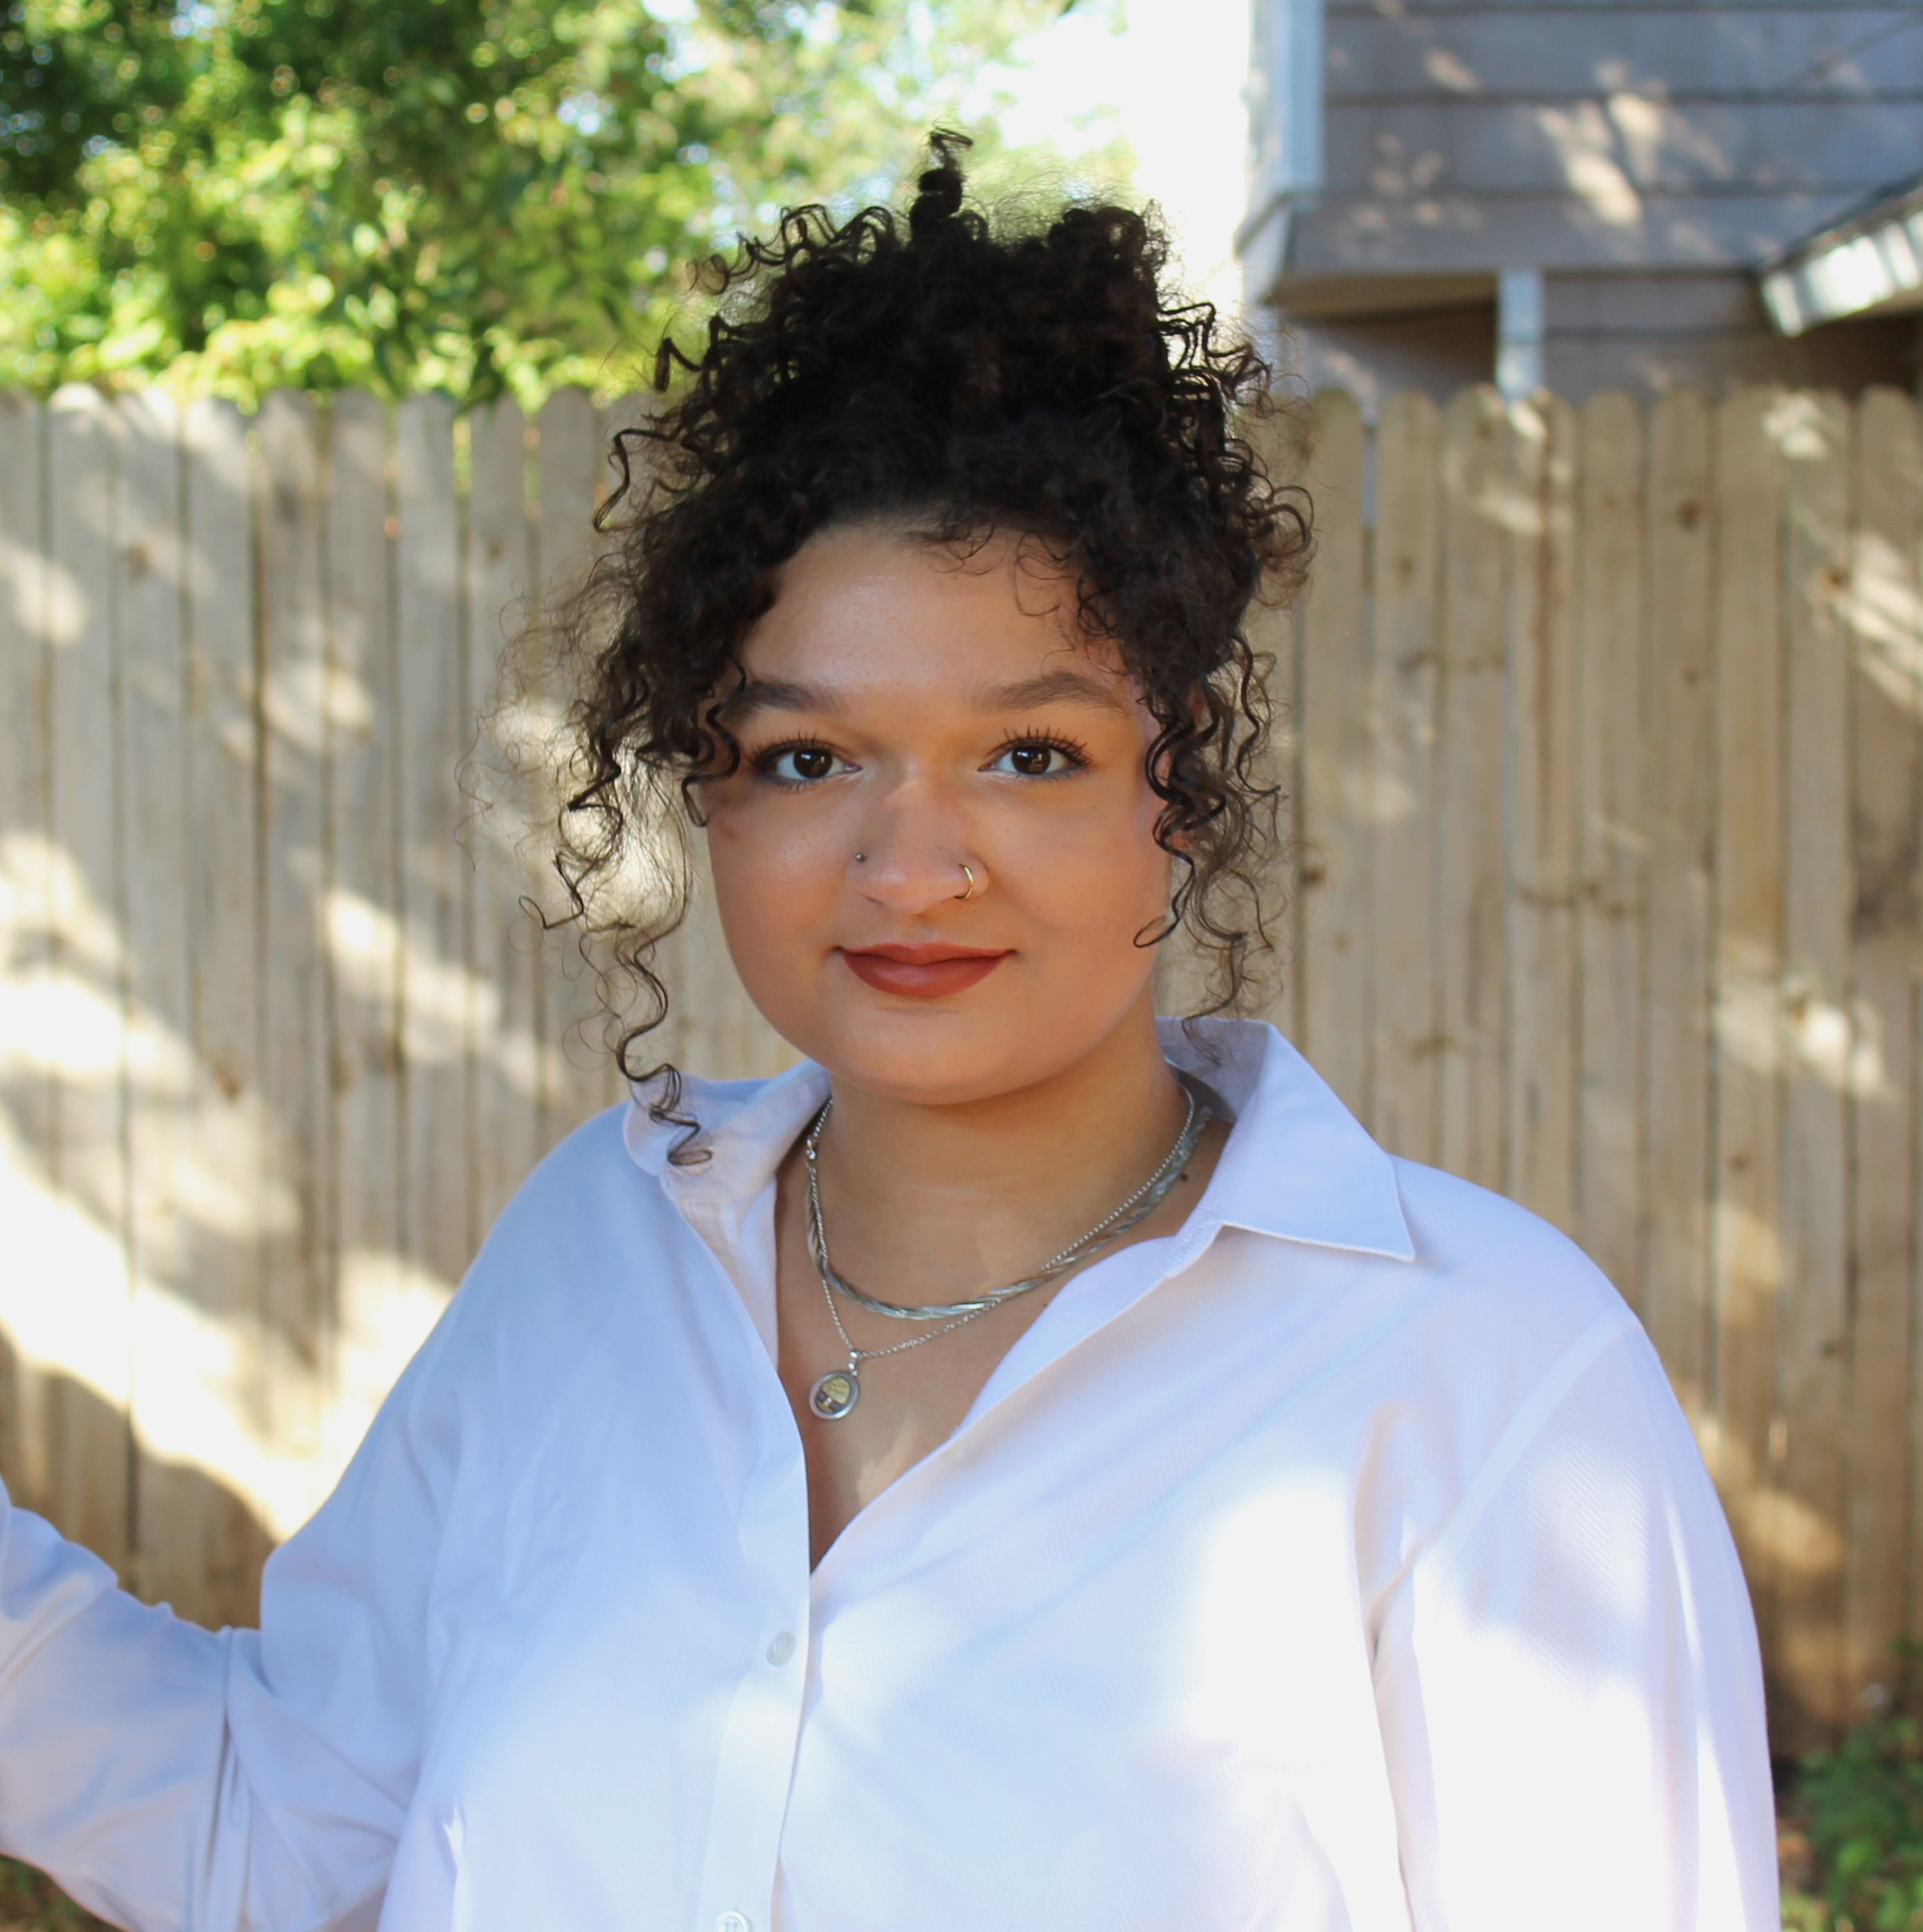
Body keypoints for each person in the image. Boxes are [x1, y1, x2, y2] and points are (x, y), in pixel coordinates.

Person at [0, 136, 1774, 1931]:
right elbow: (281, 1832)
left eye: (1029, 753)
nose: (911, 866)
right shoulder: (598, 1256)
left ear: (1180, 793)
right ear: (710, 798)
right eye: (807, 757)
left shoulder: (1484, 1369)